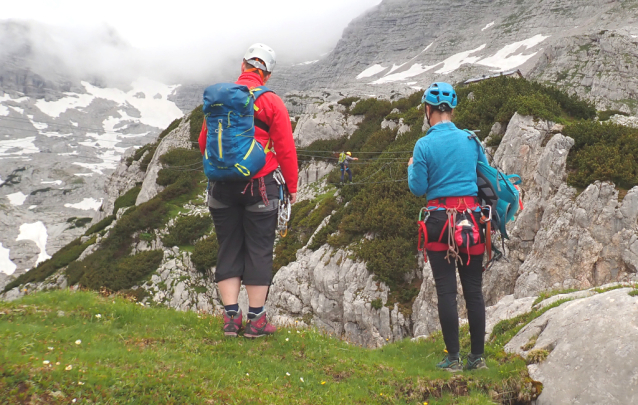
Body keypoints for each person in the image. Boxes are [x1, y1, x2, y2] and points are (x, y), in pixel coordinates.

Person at [198, 43, 298, 338]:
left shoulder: (221, 100)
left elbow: (205, 143)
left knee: (228, 246)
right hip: (261, 186)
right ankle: (256, 321)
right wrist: (291, 188)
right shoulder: (272, 102)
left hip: (220, 186)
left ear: (243, 66)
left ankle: (230, 318)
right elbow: (286, 150)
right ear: (266, 74)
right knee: (258, 250)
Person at [408, 82, 489, 371]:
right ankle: (477, 358)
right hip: (472, 220)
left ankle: (453, 358)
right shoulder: (471, 139)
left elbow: (417, 187)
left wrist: (411, 165)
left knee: (446, 290)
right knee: (474, 290)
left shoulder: (424, 145)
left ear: (427, 110)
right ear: (451, 110)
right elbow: (484, 176)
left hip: (439, 222)